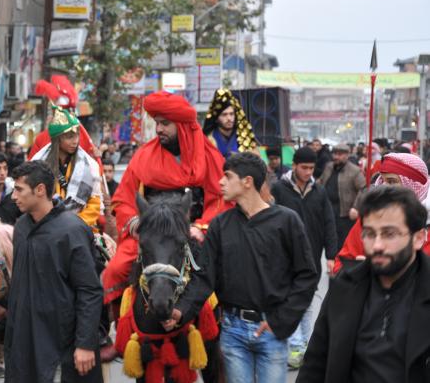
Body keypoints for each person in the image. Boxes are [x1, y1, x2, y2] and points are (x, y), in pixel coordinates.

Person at [167, 152, 317, 383]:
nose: (220, 182)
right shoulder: (220, 225)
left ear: (247, 182)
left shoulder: (287, 221)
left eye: (227, 176)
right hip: (232, 330)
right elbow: (205, 276)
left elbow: (306, 276)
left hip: (272, 330)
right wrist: (181, 310)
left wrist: (281, 321)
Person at [102, 90, 230, 305]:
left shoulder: (209, 156)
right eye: (157, 123)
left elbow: (220, 199)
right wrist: (134, 222)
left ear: (181, 125)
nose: (159, 129)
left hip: (192, 233)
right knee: (115, 270)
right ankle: (111, 325)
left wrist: (201, 227)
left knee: (226, 273)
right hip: (152, 232)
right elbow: (123, 199)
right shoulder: (143, 155)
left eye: (165, 123)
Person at [297, 186, 430, 383]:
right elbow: (315, 364)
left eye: (389, 234)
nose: (377, 245)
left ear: (418, 238)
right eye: (369, 233)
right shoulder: (345, 288)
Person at [5, 161, 103, 383]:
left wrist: (85, 343)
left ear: (40, 190)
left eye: (19, 189)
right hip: (24, 341)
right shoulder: (20, 227)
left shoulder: (72, 230)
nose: (13, 196)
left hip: (62, 344)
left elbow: (90, 290)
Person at [271, 146, 337, 369]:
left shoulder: (319, 192)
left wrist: (331, 255)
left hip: (312, 256)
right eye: (304, 167)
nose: (308, 172)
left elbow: (329, 222)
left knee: (308, 301)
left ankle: (307, 346)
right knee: (289, 298)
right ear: (295, 166)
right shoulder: (279, 189)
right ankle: (296, 345)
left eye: (311, 168)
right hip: (284, 256)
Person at [333, 152, 430, 273]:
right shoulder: (369, 220)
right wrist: (358, 272)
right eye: (382, 181)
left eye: (392, 181)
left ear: (414, 185)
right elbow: (340, 263)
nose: (385, 187)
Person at [31, 106, 102, 230]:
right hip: (46, 226)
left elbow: (94, 203)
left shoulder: (89, 165)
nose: (75, 141)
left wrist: (76, 223)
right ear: (57, 139)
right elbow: (33, 198)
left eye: (76, 136)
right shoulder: (38, 163)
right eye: (69, 137)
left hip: (80, 227)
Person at [319, 143, 366, 248]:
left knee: (343, 244)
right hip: (327, 211)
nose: (336, 157)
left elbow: (364, 189)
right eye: (335, 154)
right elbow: (321, 182)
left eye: (340, 154)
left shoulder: (354, 171)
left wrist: (356, 207)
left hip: (344, 214)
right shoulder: (329, 167)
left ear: (347, 155)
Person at [202, 88, 258, 159]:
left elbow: (256, 160)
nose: (229, 118)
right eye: (224, 115)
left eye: (231, 114)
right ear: (216, 118)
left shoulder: (244, 137)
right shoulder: (208, 139)